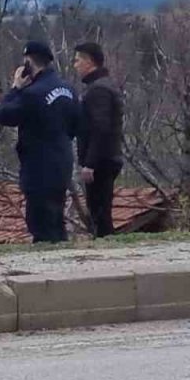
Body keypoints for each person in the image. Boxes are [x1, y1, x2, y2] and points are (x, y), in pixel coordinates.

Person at [0, 41, 79, 243]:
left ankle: (46, 260)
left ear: (28, 63)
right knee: (57, 217)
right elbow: (78, 124)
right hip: (63, 159)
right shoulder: (69, 90)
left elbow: (4, 115)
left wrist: (15, 88)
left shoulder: (31, 93)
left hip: (37, 164)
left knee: (40, 222)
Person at [73, 41, 123, 238]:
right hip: (107, 158)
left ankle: (107, 251)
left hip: (102, 161)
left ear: (89, 62)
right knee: (100, 211)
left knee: (100, 213)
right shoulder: (103, 86)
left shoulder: (98, 91)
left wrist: (90, 163)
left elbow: (100, 128)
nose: (74, 65)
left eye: (77, 61)